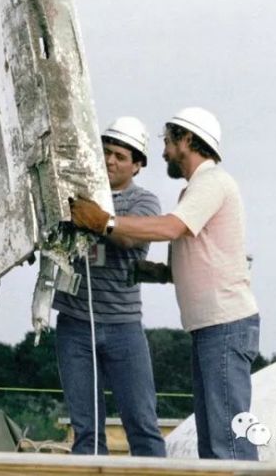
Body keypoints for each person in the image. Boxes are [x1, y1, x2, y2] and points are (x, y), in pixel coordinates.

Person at [70, 106, 259, 461]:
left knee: (226, 443)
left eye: (168, 141)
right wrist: (150, 271)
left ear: (187, 140)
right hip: (212, 327)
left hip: (224, 326)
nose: (164, 152)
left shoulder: (211, 182)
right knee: (216, 440)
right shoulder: (196, 190)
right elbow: (182, 266)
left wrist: (103, 223)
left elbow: (171, 228)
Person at [54, 116, 167, 456]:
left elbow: (133, 238)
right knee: (86, 431)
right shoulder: (75, 193)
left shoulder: (143, 202)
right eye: (106, 152)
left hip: (123, 327)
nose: (110, 161)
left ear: (137, 165)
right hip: (75, 324)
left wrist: (99, 222)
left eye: (120, 155)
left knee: (143, 425)